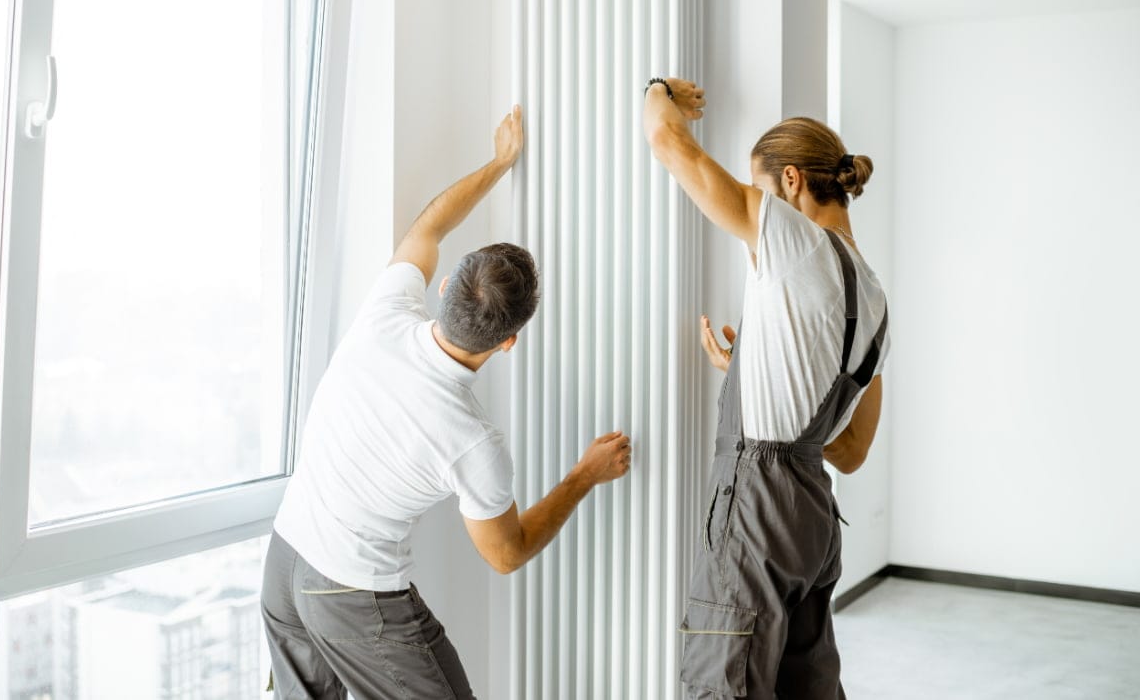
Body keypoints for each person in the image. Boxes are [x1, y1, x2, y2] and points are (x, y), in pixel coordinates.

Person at [260, 105, 632, 699]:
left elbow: (427, 227)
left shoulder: (384, 314)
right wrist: (583, 476)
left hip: (285, 559)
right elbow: (506, 554)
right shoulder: (472, 440)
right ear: (509, 341)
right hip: (351, 590)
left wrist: (500, 162)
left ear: (441, 288)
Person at [642, 78, 889, 699]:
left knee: (721, 685)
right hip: (813, 519)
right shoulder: (879, 300)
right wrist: (756, 374)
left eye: (759, 188)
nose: (755, 204)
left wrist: (658, 90)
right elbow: (850, 448)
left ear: (791, 183)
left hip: (758, 510)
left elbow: (667, 142)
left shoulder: (792, 238)